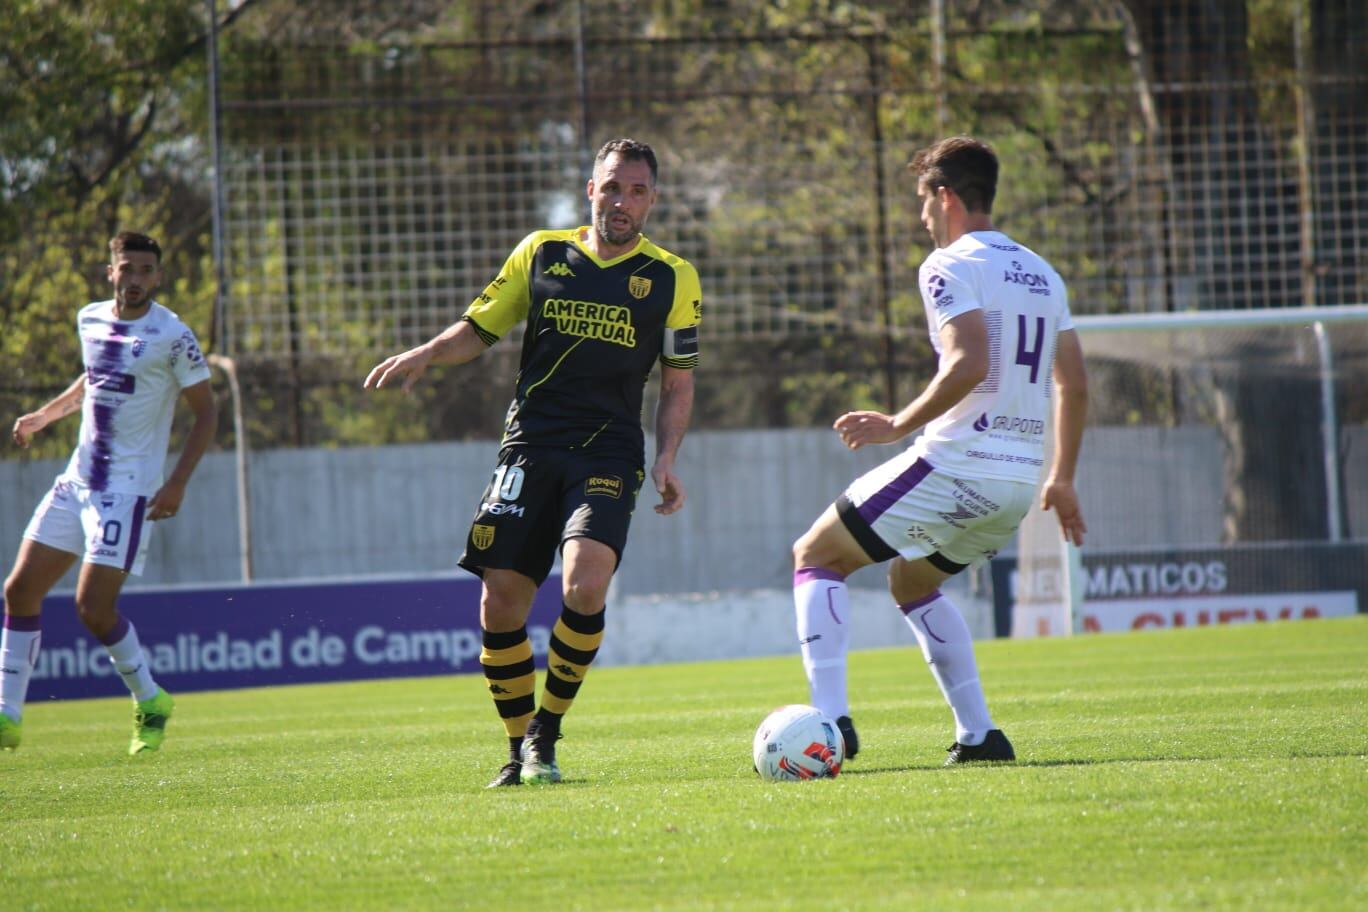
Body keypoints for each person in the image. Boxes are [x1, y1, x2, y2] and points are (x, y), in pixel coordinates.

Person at [365, 138, 701, 787]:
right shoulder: (542, 252)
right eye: (612, 187)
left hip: (607, 449)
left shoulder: (672, 276)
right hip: (529, 445)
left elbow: (679, 379)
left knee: (584, 583)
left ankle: (546, 731)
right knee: (500, 608)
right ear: (590, 190)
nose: (622, 201)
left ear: (653, 201)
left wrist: (665, 457)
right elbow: (479, 327)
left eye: (636, 191)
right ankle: (520, 750)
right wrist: (429, 352)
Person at [791, 136, 1088, 765]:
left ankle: (829, 724)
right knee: (911, 580)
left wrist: (896, 423)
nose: (921, 217)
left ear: (945, 195)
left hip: (957, 464)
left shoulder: (950, 263)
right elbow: (1075, 383)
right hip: (1015, 485)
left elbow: (968, 360)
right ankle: (981, 735)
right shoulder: (1042, 272)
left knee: (816, 554)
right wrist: (1061, 479)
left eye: (923, 201)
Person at [1, 231, 218, 754]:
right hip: (76, 481)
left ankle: (150, 699)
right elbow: (94, 378)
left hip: (126, 493)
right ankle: (6, 715)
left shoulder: (172, 335)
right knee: (19, 590)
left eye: (146, 270)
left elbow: (207, 412)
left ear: (158, 277)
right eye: (128, 268)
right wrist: (46, 415)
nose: (136, 279)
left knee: (93, 609)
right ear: (111, 272)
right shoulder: (90, 318)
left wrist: (177, 483)